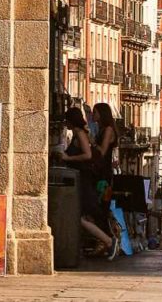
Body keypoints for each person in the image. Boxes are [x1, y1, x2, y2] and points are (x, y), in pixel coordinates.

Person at [62, 107, 118, 259]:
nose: (93, 114)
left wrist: (68, 158)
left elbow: (94, 153)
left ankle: (108, 240)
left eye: (96, 112)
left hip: (96, 177)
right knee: (87, 215)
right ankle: (103, 241)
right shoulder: (87, 132)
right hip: (89, 177)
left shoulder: (100, 131)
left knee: (91, 213)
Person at [92, 103, 119, 181]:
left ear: (101, 114)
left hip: (104, 172)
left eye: (94, 112)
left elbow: (103, 151)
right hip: (99, 169)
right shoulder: (101, 129)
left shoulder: (108, 130)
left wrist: (93, 142)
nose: (92, 114)